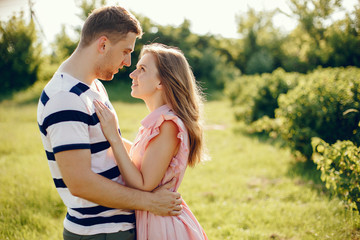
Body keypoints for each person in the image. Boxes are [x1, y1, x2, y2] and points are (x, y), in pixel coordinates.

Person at [37, 6, 182, 240]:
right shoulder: (65, 98)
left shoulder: (93, 87)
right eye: (125, 51)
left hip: (116, 228)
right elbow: (80, 183)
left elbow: (107, 146)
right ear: (103, 45)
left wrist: (157, 158)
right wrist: (151, 202)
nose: (127, 62)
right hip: (100, 232)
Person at [94, 43, 208, 239]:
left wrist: (113, 137)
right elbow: (140, 157)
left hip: (162, 226)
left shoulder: (168, 125)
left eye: (142, 69)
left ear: (161, 83)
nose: (132, 74)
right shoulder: (158, 121)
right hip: (153, 219)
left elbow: (144, 184)